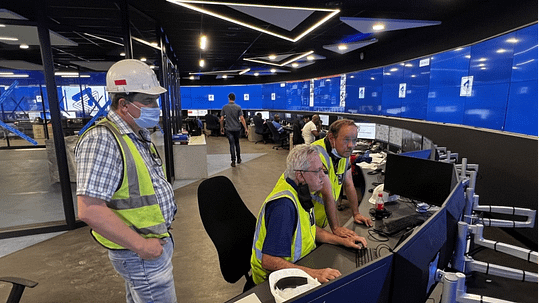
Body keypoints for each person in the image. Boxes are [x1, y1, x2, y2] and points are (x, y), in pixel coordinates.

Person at [75, 59, 177, 303]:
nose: (156, 106)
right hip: (140, 253)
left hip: (150, 245)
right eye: (148, 100)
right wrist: (142, 246)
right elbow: (89, 209)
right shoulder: (102, 139)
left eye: (156, 100)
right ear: (124, 104)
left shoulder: (135, 134)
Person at [251, 144, 366, 285]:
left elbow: (309, 228)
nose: (323, 178)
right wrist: (314, 273)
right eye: (317, 171)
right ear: (300, 175)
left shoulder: (302, 190)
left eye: (323, 171)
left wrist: (341, 240)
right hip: (270, 280)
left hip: (300, 261)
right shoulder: (284, 206)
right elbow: (269, 261)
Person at [311, 119, 372, 238]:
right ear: (331, 138)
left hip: (317, 219)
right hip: (301, 217)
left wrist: (356, 214)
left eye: (354, 140)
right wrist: (335, 228)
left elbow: (348, 183)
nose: (351, 145)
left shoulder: (342, 153)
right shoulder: (315, 155)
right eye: (346, 140)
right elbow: (327, 193)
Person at [220, 93, 248, 167]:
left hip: (229, 129)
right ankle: (239, 159)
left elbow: (222, 119)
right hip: (237, 128)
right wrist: (246, 128)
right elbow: (242, 118)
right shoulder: (238, 107)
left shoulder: (225, 107)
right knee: (237, 143)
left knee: (231, 145)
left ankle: (233, 161)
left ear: (229, 98)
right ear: (234, 98)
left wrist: (222, 127)